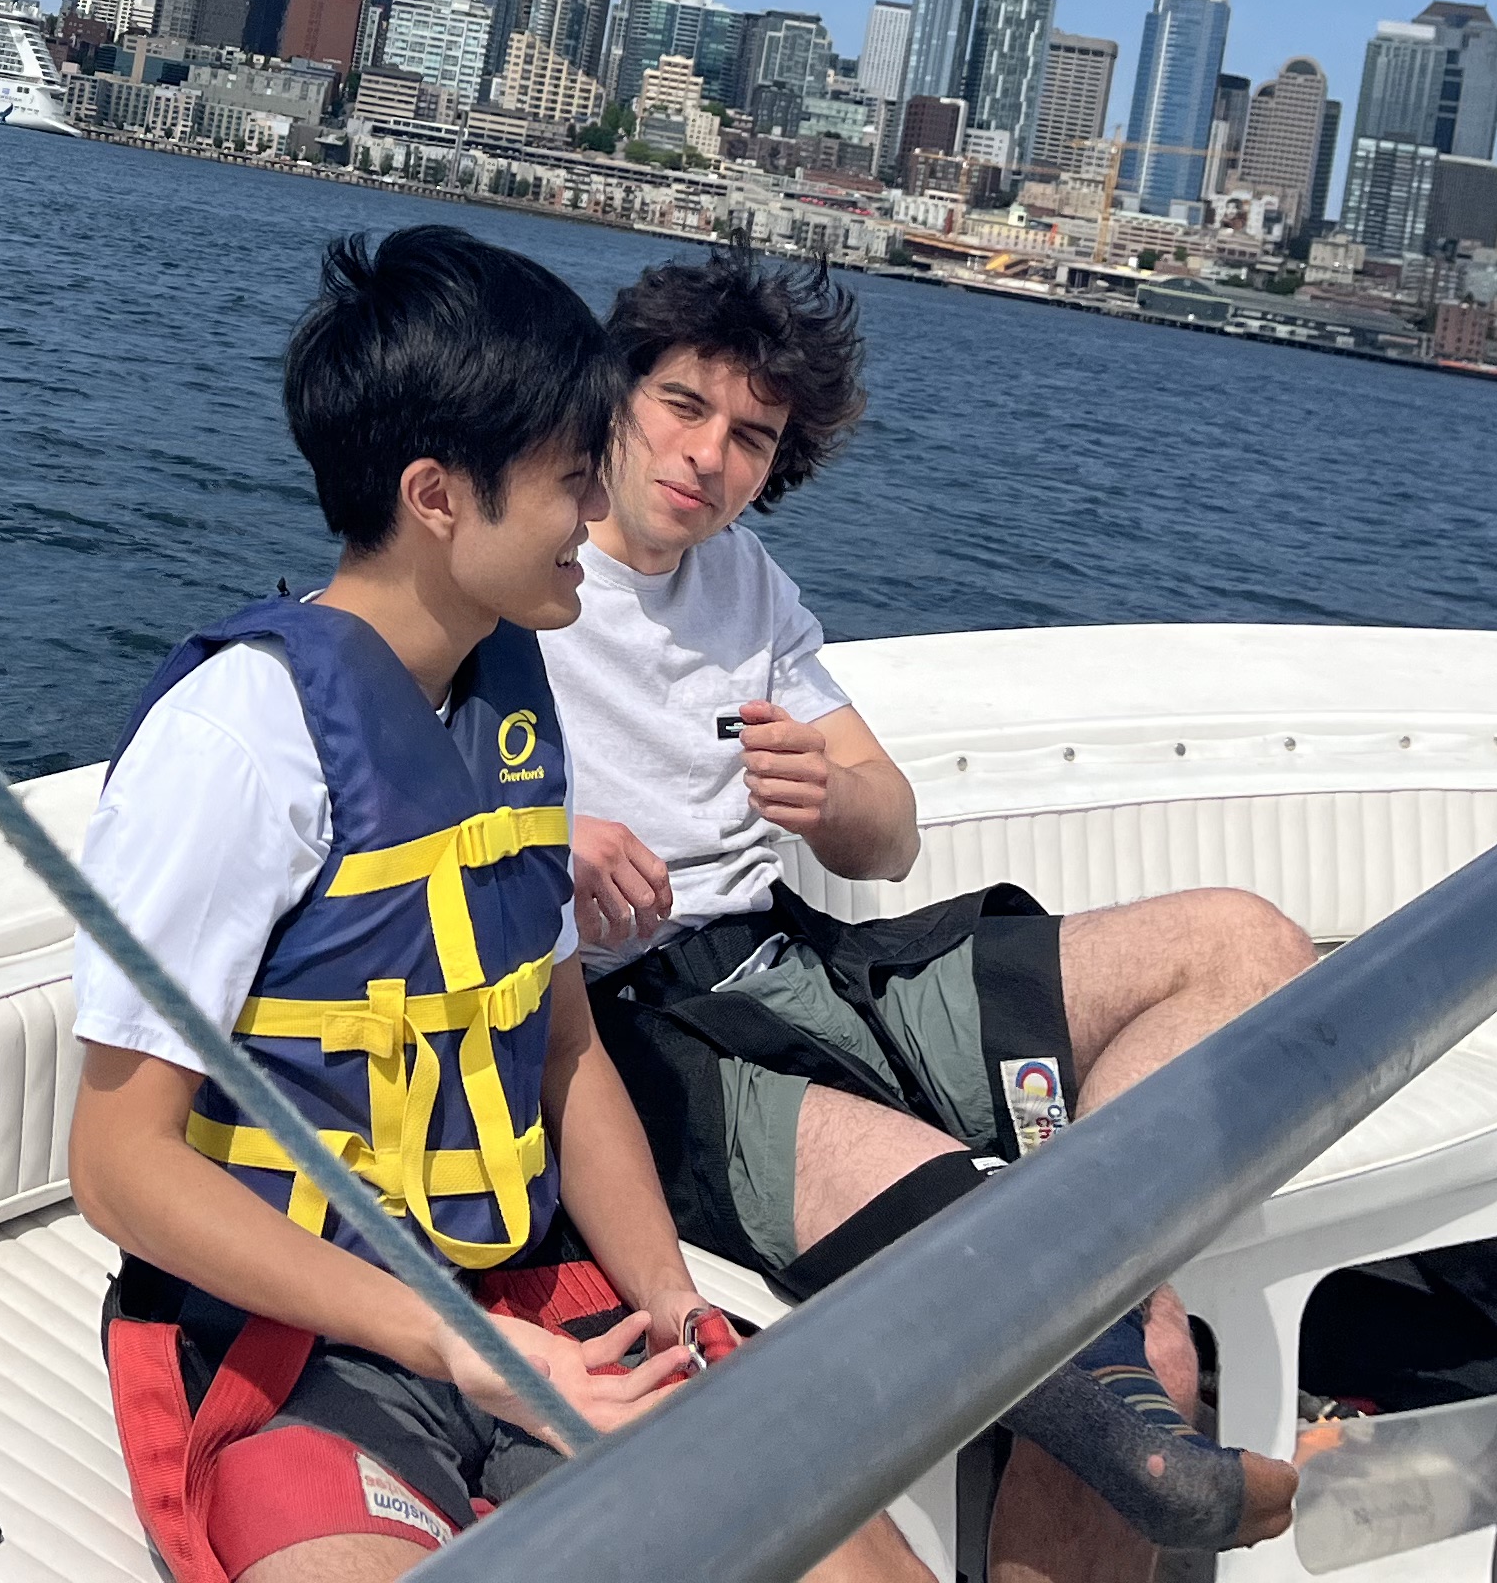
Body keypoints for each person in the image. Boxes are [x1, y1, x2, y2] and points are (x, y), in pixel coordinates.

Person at [67, 226, 929, 1583]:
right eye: (570, 479)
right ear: (436, 497)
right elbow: (120, 1164)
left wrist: (672, 1307)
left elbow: (564, 1048)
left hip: (520, 1291)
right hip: (295, 1354)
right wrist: (452, 1345)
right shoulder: (239, 740)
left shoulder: (514, 708)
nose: (597, 513)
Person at [549, 247, 1317, 1576]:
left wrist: (828, 794)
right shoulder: (524, 564)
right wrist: (544, 841)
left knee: (1252, 945)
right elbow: (382, 771)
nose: (708, 457)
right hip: (648, 1030)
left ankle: (1107, 1246)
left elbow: (890, 832)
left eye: (751, 438)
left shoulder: (747, 584)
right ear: (616, 390)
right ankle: (1114, 1330)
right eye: (683, 405)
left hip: (803, 960)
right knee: (1125, 1350)